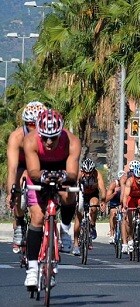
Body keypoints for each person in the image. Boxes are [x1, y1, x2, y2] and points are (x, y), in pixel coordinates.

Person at [23, 109, 81, 287]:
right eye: (45, 137)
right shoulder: (31, 140)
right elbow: (32, 171)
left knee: (69, 193)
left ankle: (64, 227)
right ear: (39, 133)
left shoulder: (72, 141)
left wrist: (63, 177)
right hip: (39, 171)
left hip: (63, 168)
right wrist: (43, 177)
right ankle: (32, 269)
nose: (49, 142)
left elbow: (72, 173)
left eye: (54, 137)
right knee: (38, 217)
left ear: (61, 132)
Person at [6, 101, 46, 253]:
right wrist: (11, 190)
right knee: (19, 177)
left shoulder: (48, 135)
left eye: (36, 124)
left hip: (41, 165)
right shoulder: (17, 137)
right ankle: (19, 221)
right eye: (30, 124)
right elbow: (12, 167)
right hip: (23, 166)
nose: (33, 128)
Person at [72, 158, 107, 256]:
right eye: (86, 172)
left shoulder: (97, 174)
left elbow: (102, 189)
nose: (87, 174)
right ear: (82, 170)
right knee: (78, 217)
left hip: (92, 194)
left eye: (90, 172)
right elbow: (74, 188)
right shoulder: (79, 175)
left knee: (93, 206)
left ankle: (92, 225)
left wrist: (103, 201)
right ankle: (75, 244)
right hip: (81, 194)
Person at [105, 170, 126, 244]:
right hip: (114, 202)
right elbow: (106, 198)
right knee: (113, 213)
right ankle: (112, 233)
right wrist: (114, 193)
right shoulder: (113, 184)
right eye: (121, 179)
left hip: (123, 202)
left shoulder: (128, 184)